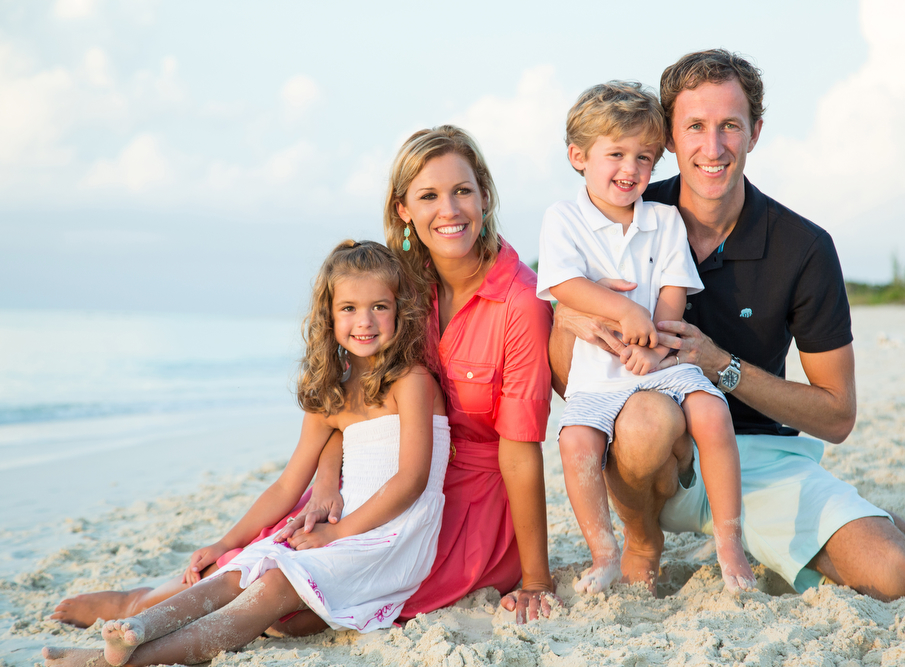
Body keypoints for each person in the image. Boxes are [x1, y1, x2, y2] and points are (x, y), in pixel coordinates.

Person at [51, 125, 557, 633]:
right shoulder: (399, 286)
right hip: (375, 477)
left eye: (462, 190)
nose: (448, 210)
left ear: (484, 195)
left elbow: (519, 450)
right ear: (403, 209)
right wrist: (326, 482)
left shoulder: (520, 303)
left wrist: (536, 578)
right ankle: (141, 601)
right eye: (428, 195)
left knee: (299, 606)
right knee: (273, 545)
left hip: (464, 504)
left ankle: (148, 611)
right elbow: (355, 407)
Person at [549, 49, 905, 601]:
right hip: (657, 464)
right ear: (670, 137)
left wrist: (720, 366)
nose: (713, 148)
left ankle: (855, 519)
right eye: (694, 127)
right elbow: (564, 374)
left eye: (730, 125)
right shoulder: (621, 206)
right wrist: (571, 314)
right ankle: (642, 540)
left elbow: (838, 416)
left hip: (758, 458)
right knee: (645, 421)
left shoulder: (803, 247)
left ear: (755, 132)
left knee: (903, 576)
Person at [44, 239, 450, 667]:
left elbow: (412, 480)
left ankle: (106, 661)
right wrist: (226, 541)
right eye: (349, 308)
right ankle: (137, 629)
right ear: (329, 317)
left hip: (391, 534)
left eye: (379, 306)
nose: (364, 321)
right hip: (344, 529)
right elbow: (286, 487)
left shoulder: (411, 381)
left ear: (399, 311)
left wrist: (336, 533)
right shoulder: (333, 398)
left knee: (272, 586)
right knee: (240, 571)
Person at [537, 81, 755, 595]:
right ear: (578, 157)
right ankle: (604, 553)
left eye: (645, 157)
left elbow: (675, 288)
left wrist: (656, 342)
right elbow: (563, 284)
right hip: (597, 376)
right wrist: (622, 309)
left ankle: (729, 543)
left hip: (663, 361)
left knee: (712, 412)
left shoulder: (663, 218)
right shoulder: (563, 219)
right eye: (616, 154)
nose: (631, 169)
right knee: (574, 442)